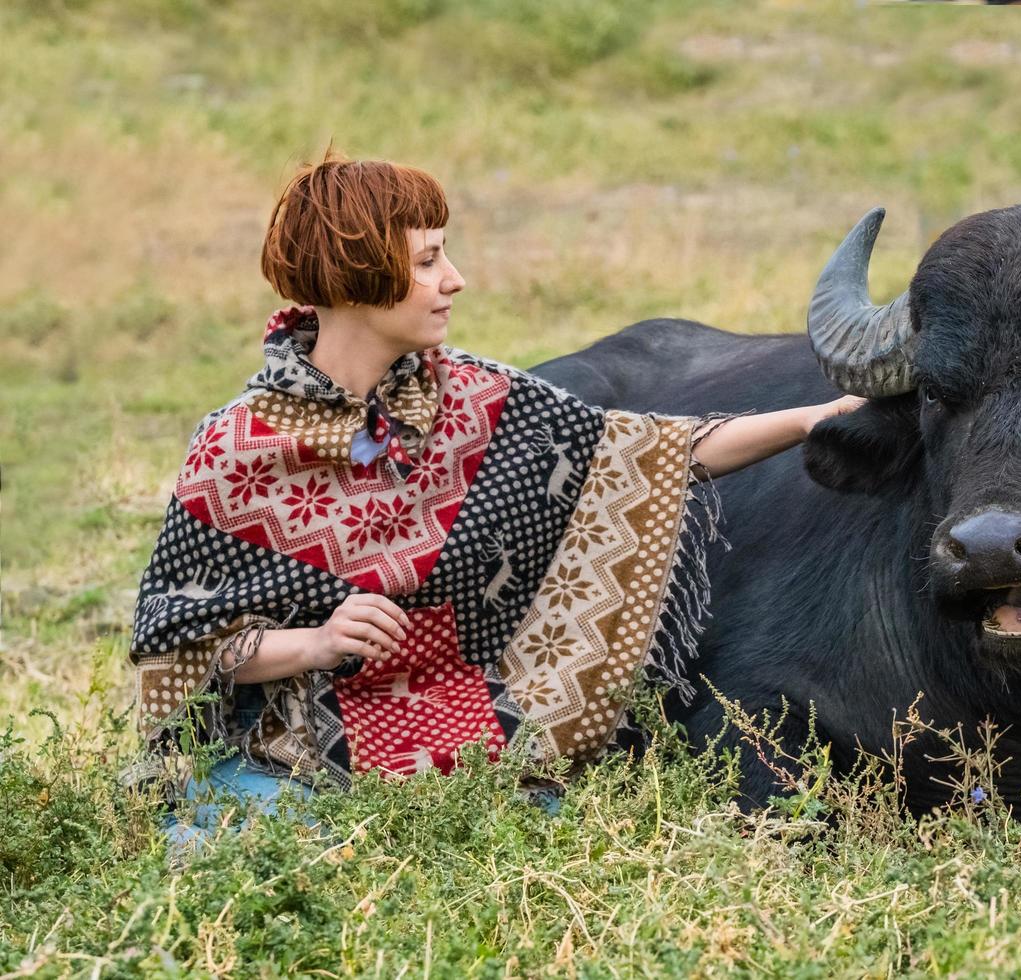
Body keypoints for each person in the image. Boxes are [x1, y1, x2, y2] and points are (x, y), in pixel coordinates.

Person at [129, 153, 861, 846]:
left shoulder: (480, 400)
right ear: (355, 278)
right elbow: (179, 640)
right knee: (230, 852)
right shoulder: (237, 447)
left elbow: (659, 449)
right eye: (426, 261)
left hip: (479, 759)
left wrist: (809, 419)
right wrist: (316, 643)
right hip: (297, 762)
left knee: (535, 855)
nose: (455, 279)